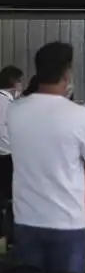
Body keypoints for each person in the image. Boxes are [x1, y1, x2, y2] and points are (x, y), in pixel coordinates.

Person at [8, 42, 85, 273]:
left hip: (26, 219)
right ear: (67, 73)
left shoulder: (15, 110)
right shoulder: (79, 114)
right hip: (67, 222)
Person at [0, 65, 24, 202]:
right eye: (21, 81)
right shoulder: (7, 103)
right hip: (5, 157)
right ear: (15, 82)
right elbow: (3, 133)